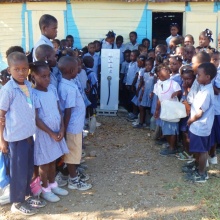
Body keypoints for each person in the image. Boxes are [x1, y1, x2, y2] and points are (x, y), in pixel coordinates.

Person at [0, 52, 46, 215]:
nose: (21, 72)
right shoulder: (8, 90)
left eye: (24, 68)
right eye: (16, 69)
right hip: (15, 138)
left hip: (28, 135)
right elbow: (1, 115)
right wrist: (2, 140)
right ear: (9, 69)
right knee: (18, 171)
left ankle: (26, 196)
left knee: (27, 169)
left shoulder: (28, 85)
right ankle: (17, 202)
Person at [30, 61, 69, 202]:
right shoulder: (33, 94)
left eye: (48, 76)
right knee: (44, 163)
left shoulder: (52, 89)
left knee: (53, 160)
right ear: (34, 76)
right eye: (43, 76)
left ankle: (53, 184)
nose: (47, 79)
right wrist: (51, 133)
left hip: (57, 130)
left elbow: (58, 109)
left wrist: (62, 128)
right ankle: (45, 188)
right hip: (44, 134)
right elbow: (36, 119)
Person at [58, 56, 92, 191]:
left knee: (72, 153)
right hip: (72, 127)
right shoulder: (69, 88)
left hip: (74, 126)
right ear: (72, 70)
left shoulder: (66, 83)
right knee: (72, 154)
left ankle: (65, 176)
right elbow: (68, 111)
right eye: (78, 66)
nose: (80, 68)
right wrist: (65, 130)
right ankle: (73, 180)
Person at [186, 63, 216, 183]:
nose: (197, 77)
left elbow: (200, 113)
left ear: (207, 77)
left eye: (199, 75)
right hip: (197, 126)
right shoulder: (203, 88)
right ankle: (198, 167)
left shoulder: (206, 92)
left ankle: (202, 174)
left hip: (200, 126)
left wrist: (190, 120)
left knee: (202, 151)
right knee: (199, 149)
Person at [154, 64, 182, 156]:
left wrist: (176, 93)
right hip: (164, 109)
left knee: (172, 129)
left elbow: (179, 92)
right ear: (158, 73)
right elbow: (159, 99)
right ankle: (171, 145)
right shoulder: (157, 84)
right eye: (164, 70)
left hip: (172, 109)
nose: (168, 71)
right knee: (166, 129)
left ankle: (172, 148)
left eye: (167, 69)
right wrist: (157, 110)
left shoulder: (173, 83)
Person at [177, 65, 196, 161]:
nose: (186, 81)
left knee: (188, 134)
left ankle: (191, 154)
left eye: (189, 79)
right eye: (184, 79)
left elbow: (189, 100)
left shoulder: (194, 88)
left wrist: (185, 89)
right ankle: (185, 151)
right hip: (183, 114)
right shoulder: (182, 85)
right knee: (183, 132)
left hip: (191, 116)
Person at [134, 58, 155, 128]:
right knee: (141, 107)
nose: (148, 66)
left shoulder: (154, 74)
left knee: (150, 108)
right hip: (144, 92)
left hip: (151, 92)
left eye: (150, 65)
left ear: (152, 65)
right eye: (146, 65)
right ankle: (141, 123)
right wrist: (139, 92)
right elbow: (142, 83)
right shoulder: (143, 72)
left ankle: (149, 123)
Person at [209, 50, 220, 165]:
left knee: (214, 135)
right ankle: (208, 155)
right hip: (208, 109)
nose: (216, 62)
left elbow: (217, 92)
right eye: (214, 60)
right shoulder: (209, 72)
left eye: (217, 60)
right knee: (209, 133)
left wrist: (209, 82)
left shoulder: (218, 74)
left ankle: (213, 155)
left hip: (217, 109)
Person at [130, 55, 146, 124]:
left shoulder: (143, 70)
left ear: (142, 62)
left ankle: (139, 119)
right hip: (137, 89)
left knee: (140, 105)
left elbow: (142, 81)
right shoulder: (139, 69)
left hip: (139, 90)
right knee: (134, 102)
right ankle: (135, 115)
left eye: (138, 62)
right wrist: (133, 84)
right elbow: (136, 77)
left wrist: (138, 90)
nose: (137, 63)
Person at [125, 50, 139, 118]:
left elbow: (136, 75)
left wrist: (133, 85)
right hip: (129, 84)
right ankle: (131, 112)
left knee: (134, 99)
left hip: (133, 85)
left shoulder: (137, 64)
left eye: (133, 56)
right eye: (131, 55)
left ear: (136, 57)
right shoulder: (130, 63)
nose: (131, 57)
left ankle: (135, 113)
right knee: (130, 99)